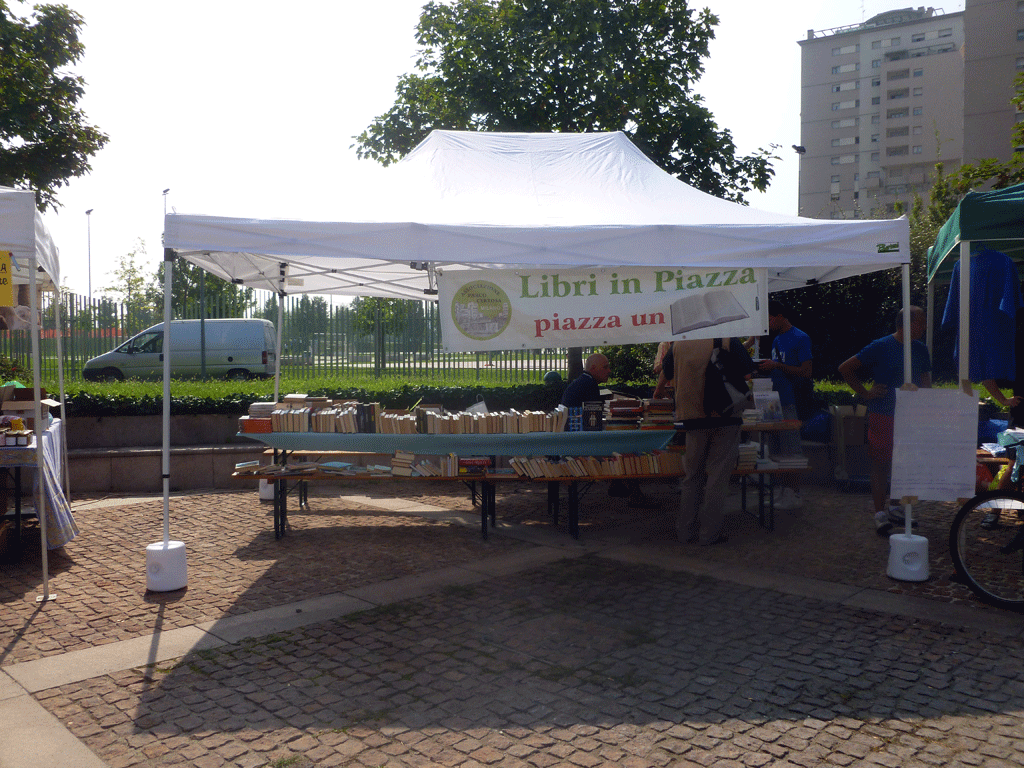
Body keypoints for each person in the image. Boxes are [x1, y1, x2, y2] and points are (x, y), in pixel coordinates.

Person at [838, 306, 931, 535]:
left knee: (904, 463)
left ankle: (895, 506)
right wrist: (865, 393)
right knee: (880, 463)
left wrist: (924, 401)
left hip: (909, 416)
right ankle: (879, 512)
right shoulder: (880, 346)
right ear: (906, 324)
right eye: (920, 322)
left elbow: (926, 381)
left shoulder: (920, 349)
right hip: (883, 414)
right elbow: (845, 368)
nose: (924, 327)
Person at [668, 337, 755, 545]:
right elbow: (747, 371)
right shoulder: (726, 339)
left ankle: (685, 530)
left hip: (692, 416)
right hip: (726, 415)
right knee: (718, 477)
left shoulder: (678, 343)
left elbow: (668, 371)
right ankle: (709, 533)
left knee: (692, 476)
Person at [562, 353, 657, 509]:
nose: (609, 371)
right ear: (593, 368)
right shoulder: (589, 385)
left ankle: (617, 484)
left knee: (618, 443)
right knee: (627, 448)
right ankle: (635, 494)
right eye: (605, 367)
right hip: (581, 444)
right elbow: (594, 423)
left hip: (575, 440)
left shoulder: (582, 382)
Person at [757, 301, 813, 510]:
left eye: (770, 319)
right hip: (773, 400)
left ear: (780, 316)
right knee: (775, 449)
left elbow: (806, 371)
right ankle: (782, 490)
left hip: (790, 400)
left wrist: (777, 365)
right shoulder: (776, 339)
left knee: (791, 449)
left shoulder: (800, 337)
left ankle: (794, 492)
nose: (768, 323)